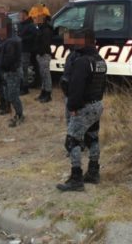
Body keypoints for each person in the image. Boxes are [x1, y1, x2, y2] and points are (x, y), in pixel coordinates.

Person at [57, 28, 106, 192]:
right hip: (97, 104)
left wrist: (73, 107)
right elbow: (102, 85)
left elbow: (76, 87)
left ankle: (76, 178)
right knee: (92, 138)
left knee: (72, 141)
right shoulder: (99, 60)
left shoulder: (82, 62)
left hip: (83, 106)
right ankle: (93, 172)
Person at [0, 17, 24, 127]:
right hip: (10, 71)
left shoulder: (11, 41)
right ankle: (16, 113)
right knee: (9, 94)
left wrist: (2, 67)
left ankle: (19, 115)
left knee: (13, 95)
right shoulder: (9, 39)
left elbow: (9, 59)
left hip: (12, 72)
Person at [34, 14, 54, 103]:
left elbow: (45, 43)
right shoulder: (40, 28)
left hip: (44, 55)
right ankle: (43, 92)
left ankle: (48, 94)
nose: (35, 19)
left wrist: (40, 53)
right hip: (40, 54)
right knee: (43, 75)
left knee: (46, 75)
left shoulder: (46, 30)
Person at [17, 9, 36, 95]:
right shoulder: (20, 25)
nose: (19, 17)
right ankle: (21, 86)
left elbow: (33, 37)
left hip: (26, 50)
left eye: (20, 15)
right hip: (20, 49)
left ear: (25, 15)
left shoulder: (31, 25)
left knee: (24, 69)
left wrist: (22, 39)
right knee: (20, 69)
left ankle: (25, 88)